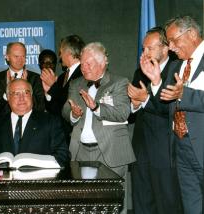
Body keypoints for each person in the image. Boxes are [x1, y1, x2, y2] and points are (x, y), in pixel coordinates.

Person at [140, 16, 204, 214]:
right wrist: (157, 82)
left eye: (175, 41)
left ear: (192, 34)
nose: (172, 47)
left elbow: (185, 96)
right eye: (169, 43)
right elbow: (165, 110)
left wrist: (185, 94)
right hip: (181, 149)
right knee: (190, 207)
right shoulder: (177, 67)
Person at [62, 42, 135, 214]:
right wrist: (73, 113)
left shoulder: (119, 82)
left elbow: (123, 113)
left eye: (89, 63)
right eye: (82, 63)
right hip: (80, 151)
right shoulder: (76, 84)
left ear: (102, 63)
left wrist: (96, 108)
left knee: (114, 204)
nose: (84, 67)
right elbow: (65, 110)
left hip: (110, 151)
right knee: (84, 203)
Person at [128, 27, 182, 214]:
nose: (145, 53)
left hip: (165, 153)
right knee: (142, 205)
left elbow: (170, 110)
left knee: (167, 205)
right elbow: (131, 114)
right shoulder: (140, 73)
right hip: (141, 152)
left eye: (149, 48)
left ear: (165, 48)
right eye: (143, 49)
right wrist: (135, 104)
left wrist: (145, 100)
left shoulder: (178, 71)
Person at [0, 79, 70, 167]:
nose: (22, 98)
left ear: (31, 96)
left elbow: (63, 156)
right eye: (16, 93)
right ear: (7, 97)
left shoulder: (50, 122)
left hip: (38, 183)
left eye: (26, 93)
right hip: (4, 184)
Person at [41, 35, 85, 144]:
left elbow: (72, 102)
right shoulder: (62, 77)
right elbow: (57, 109)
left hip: (78, 135)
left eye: (61, 52)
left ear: (68, 53)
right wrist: (48, 93)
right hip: (63, 134)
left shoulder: (84, 73)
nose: (60, 57)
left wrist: (53, 86)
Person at [0, 42, 45, 119]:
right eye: (16, 56)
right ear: (7, 57)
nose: (20, 60)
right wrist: (7, 91)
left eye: (23, 56)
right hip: (5, 126)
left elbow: (40, 108)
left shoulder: (35, 78)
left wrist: (27, 88)